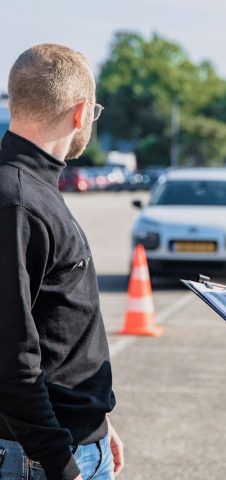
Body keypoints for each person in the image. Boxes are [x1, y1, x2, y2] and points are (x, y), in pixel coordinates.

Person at [0, 44, 123, 480]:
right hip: (40, 458)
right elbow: (10, 356)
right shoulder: (18, 201)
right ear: (80, 112)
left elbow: (58, 330)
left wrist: (97, 425)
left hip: (73, 440)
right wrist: (61, 464)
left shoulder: (33, 188)